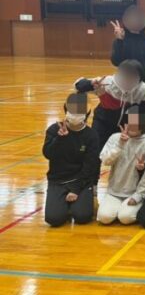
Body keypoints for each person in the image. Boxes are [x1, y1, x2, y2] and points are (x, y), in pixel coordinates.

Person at [42, 93, 99, 227]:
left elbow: (90, 166)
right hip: (58, 180)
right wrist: (59, 139)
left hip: (81, 181)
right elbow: (48, 154)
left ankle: (81, 201)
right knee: (54, 219)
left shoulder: (91, 135)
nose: (75, 115)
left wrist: (75, 189)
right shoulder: (54, 129)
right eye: (72, 111)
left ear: (86, 113)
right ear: (66, 110)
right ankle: (63, 205)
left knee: (82, 216)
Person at [97, 107, 145, 225]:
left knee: (125, 218)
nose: (132, 126)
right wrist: (120, 145)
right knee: (104, 217)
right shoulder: (115, 138)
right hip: (114, 192)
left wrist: (138, 195)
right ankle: (117, 207)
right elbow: (105, 161)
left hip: (134, 193)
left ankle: (130, 207)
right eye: (129, 122)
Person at [75, 59, 145, 151]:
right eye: (125, 76)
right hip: (103, 121)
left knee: (127, 150)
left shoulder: (143, 91)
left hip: (126, 125)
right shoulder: (107, 82)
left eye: (132, 77)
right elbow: (78, 85)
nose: (127, 81)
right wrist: (90, 84)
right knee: (95, 148)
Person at [110, 5, 145, 109]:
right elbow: (116, 62)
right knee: (126, 116)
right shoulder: (120, 40)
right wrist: (119, 41)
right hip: (126, 85)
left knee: (142, 118)